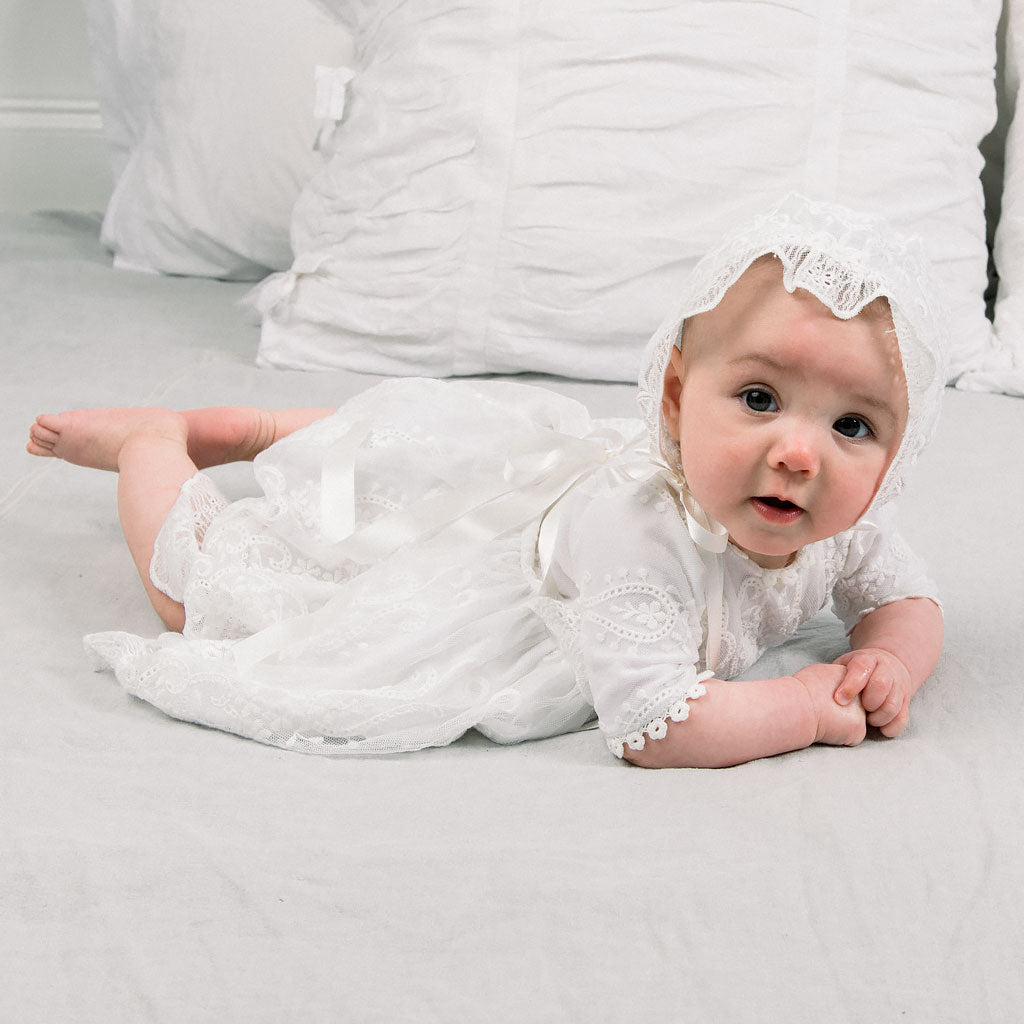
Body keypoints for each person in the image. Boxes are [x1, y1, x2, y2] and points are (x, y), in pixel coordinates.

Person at [25, 195, 946, 767]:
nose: (800, 453)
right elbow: (658, 725)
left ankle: (257, 430)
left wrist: (890, 659)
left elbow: (908, 599)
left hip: (550, 490)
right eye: (757, 397)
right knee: (228, 601)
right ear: (674, 396)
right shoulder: (644, 549)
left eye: (853, 426)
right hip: (510, 570)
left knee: (415, 461)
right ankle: (154, 446)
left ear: (896, 456)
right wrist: (798, 708)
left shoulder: (843, 521)